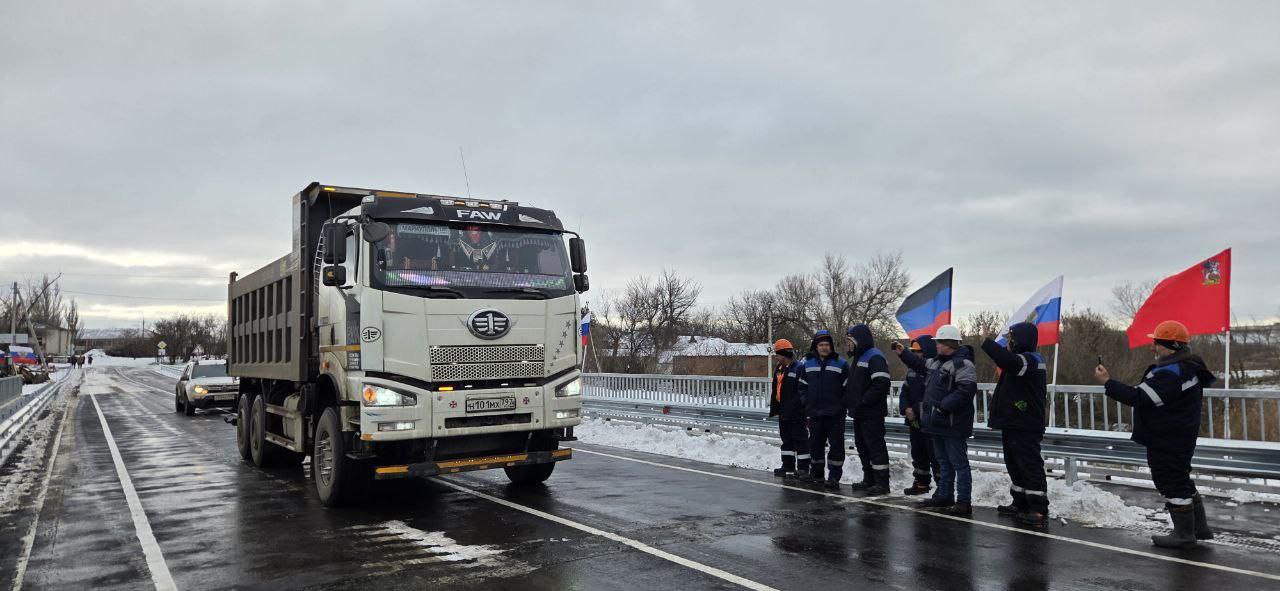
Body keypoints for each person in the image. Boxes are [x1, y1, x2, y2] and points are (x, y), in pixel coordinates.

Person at [1095, 320, 1216, 548]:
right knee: (1180, 479)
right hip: (1178, 436)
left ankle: (1184, 535)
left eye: (1157, 344)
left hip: (1167, 438)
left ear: (1171, 346)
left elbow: (1139, 398)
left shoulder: (1171, 373)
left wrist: (1108, 382)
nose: (1152, 348)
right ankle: (1198, 529)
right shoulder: (1188, 367)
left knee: (1170, 481)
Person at [980, 322, 1050, 526]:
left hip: (1026, 423)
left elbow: (1008, 361)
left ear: (1022, 340)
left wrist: (988, 342)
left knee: (1029, 465)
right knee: (1014, 464)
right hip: (1013, 422)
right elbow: (1008, 361)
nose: (1009, 342)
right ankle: (1020, 503)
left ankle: (1038, 509)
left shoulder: (1030, 360)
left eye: (1012, 338)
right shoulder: (1021, 360)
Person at [918, 324, 977, 515]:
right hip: (939, 422)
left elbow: (965, 391)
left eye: (939, 342)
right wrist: (903, 354)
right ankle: (945, 496)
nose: (936, 346)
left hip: (953, 423)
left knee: (959, 463)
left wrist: (943, 406)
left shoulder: (963, 364)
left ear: (948, 344)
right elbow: (919, 364)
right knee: (943, 461)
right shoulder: (938, 362)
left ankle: (963, 502)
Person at [797, 330, 850, 489]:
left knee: (836, 447)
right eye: (821, 345)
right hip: (815, 414)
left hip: (835, 415)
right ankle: (817, 474)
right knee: (815, 446)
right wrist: (806, 403)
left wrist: (841, 406)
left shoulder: (841, 364)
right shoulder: (808, 364)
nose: (824, 347)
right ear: (816, 346)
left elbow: (848, 389)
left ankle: (834, 477)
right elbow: (801, 387)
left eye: (827, 344)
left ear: (831, 346)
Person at [844, 324, 892, 495]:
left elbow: (881, 383)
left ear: (859, 340)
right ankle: (869, 479)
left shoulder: (874, 357)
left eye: (850, 341)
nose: (848, 345)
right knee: (862, 446)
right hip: (860, 413)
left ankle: (882, 483)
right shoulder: (859, 357)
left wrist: (863, 401)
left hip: (871, 413)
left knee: (875, 446)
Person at [892, 336, 940, 495]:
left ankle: (942, 487)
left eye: (918, 351)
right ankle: (921, 483)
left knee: (935, 455)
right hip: (914, 421)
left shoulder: (934, 370)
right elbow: (904, 392)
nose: (915, 354)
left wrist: (918, 409)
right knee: (918, 453)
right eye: (912, 351)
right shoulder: (911, 372)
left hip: (931, 421)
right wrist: (906, 408)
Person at [769, 339, 809, 478]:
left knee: (800, 441)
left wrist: (800, 407)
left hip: (796, 412)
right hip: (783, 411)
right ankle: (787, 466)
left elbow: (803, 391)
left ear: (783, 354)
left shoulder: (799, 368)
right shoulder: (779, 369)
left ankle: (803, 468)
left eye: (777, 353)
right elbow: (777, 390)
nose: (776, 356)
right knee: (786, 440)